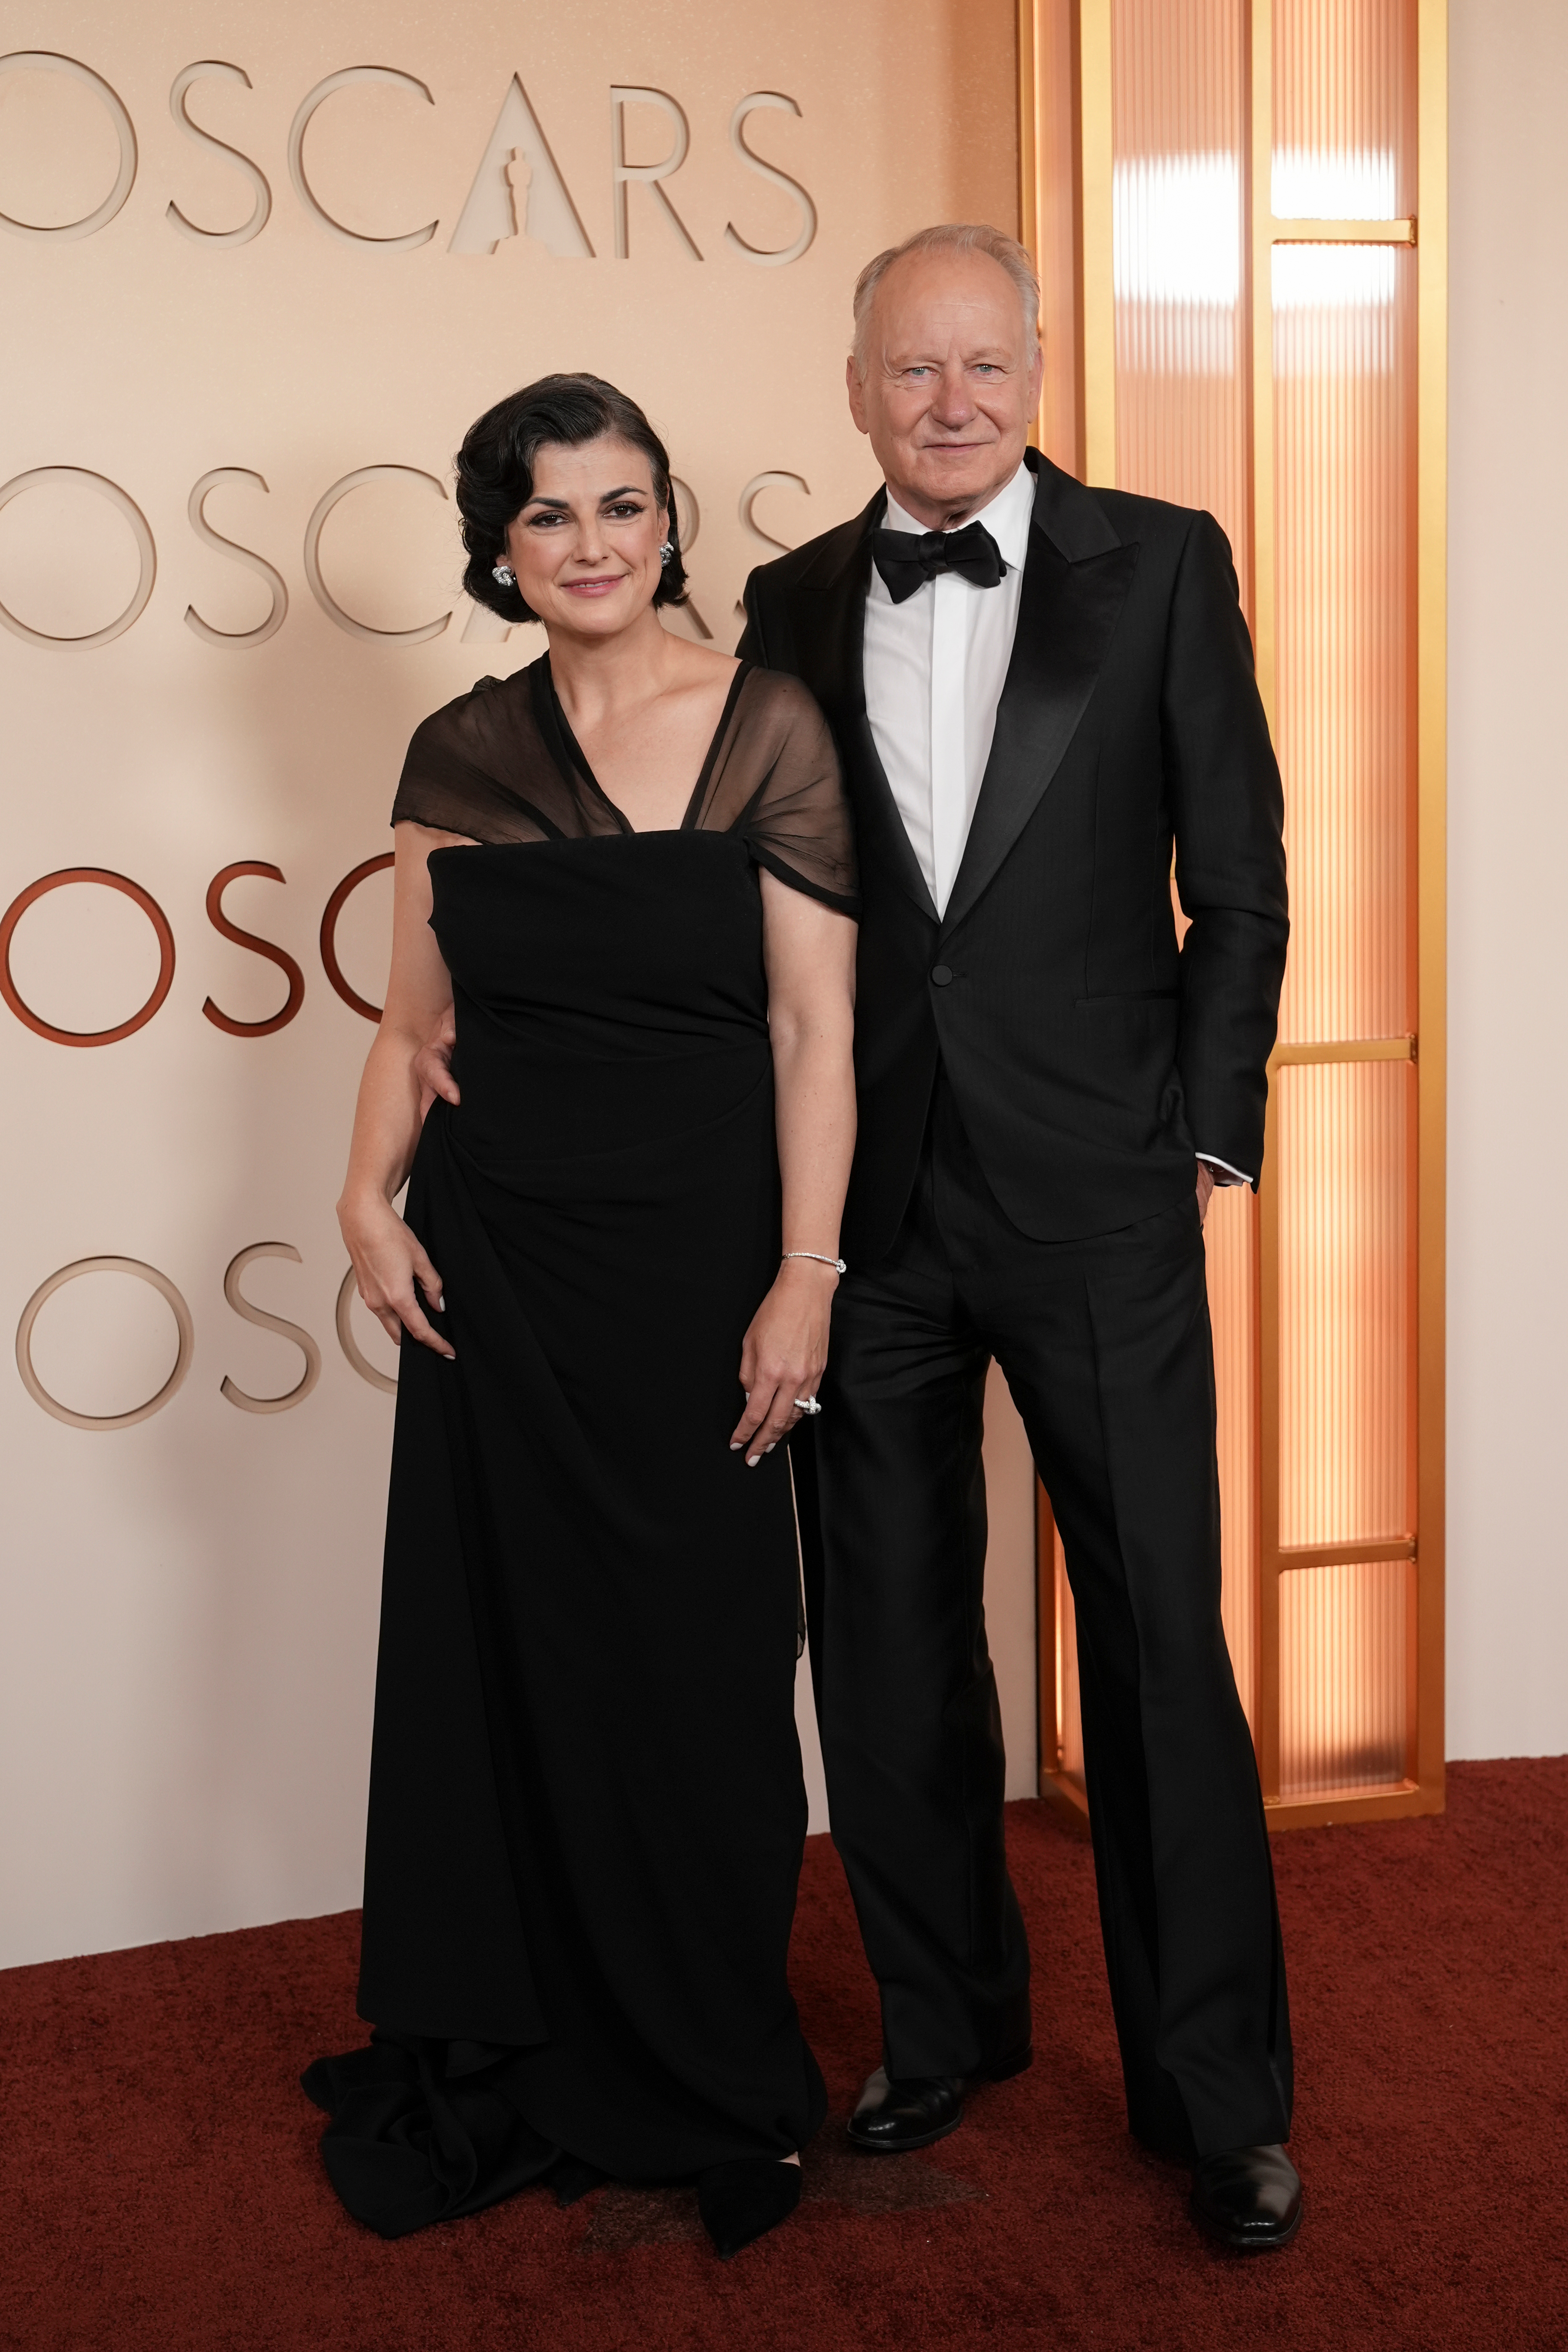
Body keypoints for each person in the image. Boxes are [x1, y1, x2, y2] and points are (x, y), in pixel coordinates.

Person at [735, 224, 1300, 2253]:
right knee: (884, 1646)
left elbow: (1236, 878)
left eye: (984, 364)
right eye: (913, 370)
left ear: (1039, 369)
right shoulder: (789, 598)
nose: (950, 400)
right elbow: (763, 924)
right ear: (856, 385)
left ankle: (1215, 2092)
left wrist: (1204, 1148)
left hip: (1097, 1200)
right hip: (863, 1216)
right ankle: (943, 2026)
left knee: (1158, 1646)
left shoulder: (1162, 559)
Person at [306, 373, 859, 2261]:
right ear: (501, 544)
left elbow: (813, 1030)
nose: (595, 542)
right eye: (551, 515)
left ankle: (710, 2063)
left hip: (706, 1261)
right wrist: (360, 1199)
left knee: (704, 1665)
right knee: (512, 1659)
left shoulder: (768, 719)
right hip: (503, 1266)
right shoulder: (458, 746)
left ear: (667, 522)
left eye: (625, 504)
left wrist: (805, 1270)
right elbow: (409, 1024)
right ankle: (525, 2022)